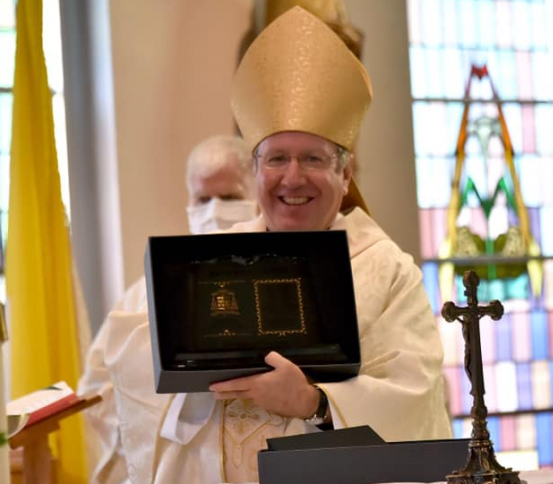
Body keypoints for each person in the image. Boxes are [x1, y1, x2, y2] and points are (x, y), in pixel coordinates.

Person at [79, 8, 451, 484]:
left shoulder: (386, 271)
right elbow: (125, 353)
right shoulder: (212, 261)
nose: (292, 178)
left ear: (345, 172)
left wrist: (315, 402)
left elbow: (414, 398)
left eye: (313, 158)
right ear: (255, 170)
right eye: (276, 158)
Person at [78, 135, 257, 482]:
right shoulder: (143, 294)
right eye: (203, 199)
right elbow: (95, 388)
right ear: (188, 203)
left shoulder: (278, 282)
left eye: (230, 197)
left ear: (255, 196)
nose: (214, 210)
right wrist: (150, 425)